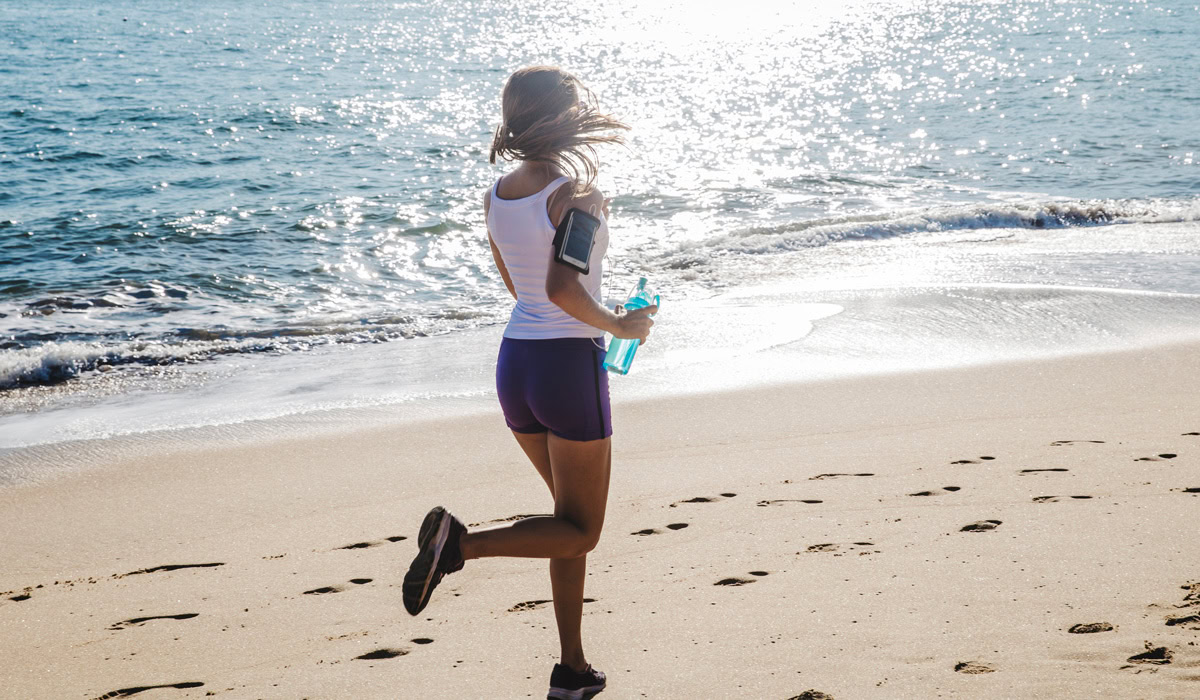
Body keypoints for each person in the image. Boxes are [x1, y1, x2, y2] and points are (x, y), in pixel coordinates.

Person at [402, 66, 657, 700]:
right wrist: (622, 325)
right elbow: (562, 290)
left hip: (516, 364)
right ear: (565, 117)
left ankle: (571, 669)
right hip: (568, 368)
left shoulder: (496, 195)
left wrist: (592, 316)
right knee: (584, 529)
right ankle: (458, 546)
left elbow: (522, 290)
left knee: (564, 525)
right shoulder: (579, 195)